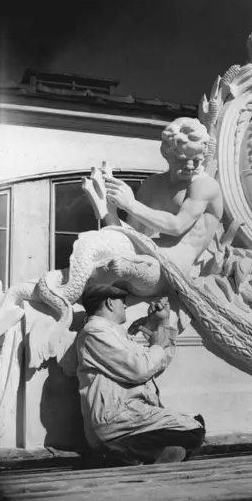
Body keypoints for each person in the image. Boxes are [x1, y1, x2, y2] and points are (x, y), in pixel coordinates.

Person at [76, 284, 205, 465]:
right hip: (116, 421)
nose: (126, 306)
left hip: (130, 416)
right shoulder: (95, 332)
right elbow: (140, 369)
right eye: (123, 302)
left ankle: (137, 456)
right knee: (193, 429)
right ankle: (122, 453)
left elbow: (157, 364)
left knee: (195, 422)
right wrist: (157, 345)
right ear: (109, 303)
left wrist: (162, 322)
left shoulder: (114, 333)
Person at [102, 117, 224, 273]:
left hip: (175, 266)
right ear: (168, 155)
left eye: (196, 160)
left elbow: (177, 226)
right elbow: (132, 235)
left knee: (124, 268)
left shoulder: (203, 185)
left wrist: (130, 204)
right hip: (148, 256)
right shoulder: (151, 185)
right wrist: (108, 209)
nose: (190, 166)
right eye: (182, 159)